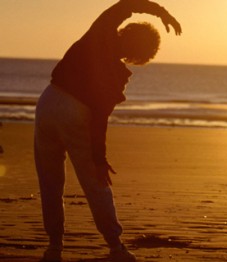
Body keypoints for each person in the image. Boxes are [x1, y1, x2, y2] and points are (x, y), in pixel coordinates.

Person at [34, 0, 182, 261]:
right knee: (95, 183)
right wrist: (99, 160)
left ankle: (54, 247)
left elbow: (126, 4)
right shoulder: (116, 76)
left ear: (126, 32)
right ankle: (115, 246)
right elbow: (98, 121)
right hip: (75, 113)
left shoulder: (100, 33)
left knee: (50, 181)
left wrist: (162, 13)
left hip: (47, 102)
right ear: (142, 54)